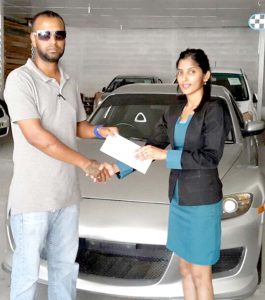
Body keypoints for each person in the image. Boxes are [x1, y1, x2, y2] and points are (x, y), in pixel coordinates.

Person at [4, 10, 117, 300]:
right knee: (27, 273)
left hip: (67, 196)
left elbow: (77, 125)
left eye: (59, 34)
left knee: (65, 269)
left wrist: (100, 131)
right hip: (33, 199)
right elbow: (37, 137)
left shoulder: (69, 80)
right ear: (32, 39)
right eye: (45, 34)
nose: (52, 41)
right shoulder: (20, 80)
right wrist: (87, 163)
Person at [107, 48, 231, 300]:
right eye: (180, 72)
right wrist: (118, 167)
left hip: (202, 203)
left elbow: (210, 157)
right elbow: (151, 146)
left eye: (192, 72)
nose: (184, 78)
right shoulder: (174, 111)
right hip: (178, 199)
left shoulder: (214, 109)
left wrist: (166, 156)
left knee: (201, 273)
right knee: (184, 268)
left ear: (205, 76)